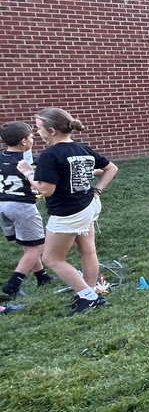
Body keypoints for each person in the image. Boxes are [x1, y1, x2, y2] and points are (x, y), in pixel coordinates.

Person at [19, 108, 117, 313]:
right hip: (87, 206)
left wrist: (28, 173)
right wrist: (97, 190)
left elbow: (46, 190)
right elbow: (111, 168)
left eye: (39, 129)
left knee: (51, 259)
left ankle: (89, 296)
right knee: (87, 250)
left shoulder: (50, 155)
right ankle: (88, 292)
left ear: (52, 130)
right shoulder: (83, 149)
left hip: (68, 212)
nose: (38, 133)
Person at [1, 121, 53, 299]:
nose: (33, 139)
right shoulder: (25, 164)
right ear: (24, 141)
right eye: (31, 137)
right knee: (38, 246)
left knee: (28, 243)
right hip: (22, 206)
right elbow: (39, 185)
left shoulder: (1, 157)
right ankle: (13, 284)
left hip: (3, 205)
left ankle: (42, 277)